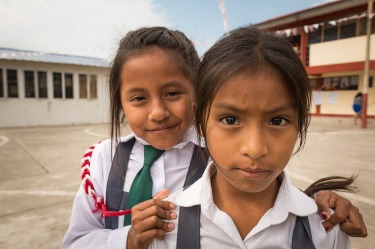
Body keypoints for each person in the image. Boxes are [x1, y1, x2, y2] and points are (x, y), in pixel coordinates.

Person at [62, 27, 367, 249]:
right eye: (139, 98)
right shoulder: (103, 160)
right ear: (120, 101)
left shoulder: (217, 151)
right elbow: (76, 240)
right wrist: (127, 239)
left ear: (199, 95)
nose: (157, 112)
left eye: (172, 93)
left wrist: (317, 202)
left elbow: (264, 189)